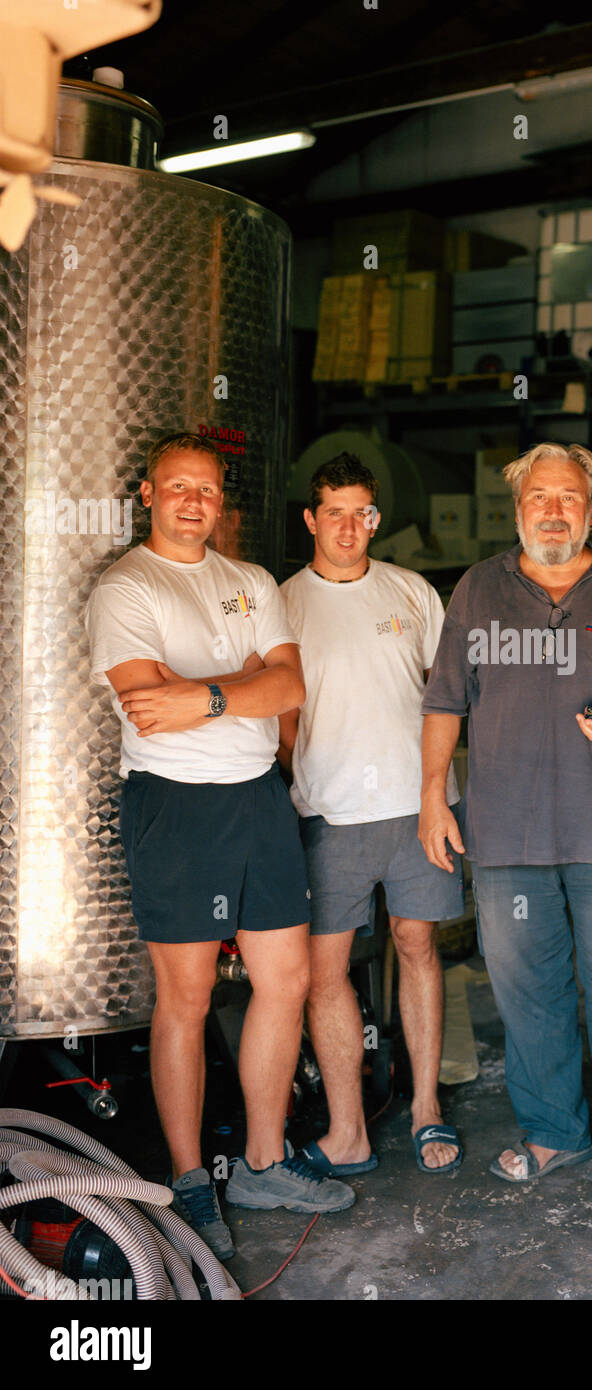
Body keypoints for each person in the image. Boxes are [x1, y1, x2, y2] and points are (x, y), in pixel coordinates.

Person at [86, 432, 355, 1259]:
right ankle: (188, 1178)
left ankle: (265, 1161)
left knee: (288, 977)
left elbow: (289, 685)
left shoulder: (248, 582)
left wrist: (201, 692)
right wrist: (237, 689)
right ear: (148, 493)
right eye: (178, 488)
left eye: (206, 489)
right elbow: (145, 705)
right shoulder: (126, 587)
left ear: (220, 500)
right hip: (177, 809)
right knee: (189, 996)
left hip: (257, 802)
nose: (194, 502)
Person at [419, 441, 592, 1205]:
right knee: (526, 988)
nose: (554, 510)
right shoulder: (478, 590)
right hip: (505, 831)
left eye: (568, 496)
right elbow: (444, 701)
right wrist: (434, 796)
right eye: (540, 497)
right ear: (517, 508)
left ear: (590, 507)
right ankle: (553, 1131)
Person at [277, 452, 466, 1180]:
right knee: (325, 972)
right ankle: (348, 1129)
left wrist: (435, 793)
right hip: (331, 814)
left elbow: (443, 697)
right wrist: (310, 778)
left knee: (417, 947)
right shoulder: (282, 602)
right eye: (335, 513)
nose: (350, 526)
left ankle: (424, 1108)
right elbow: (282, 714)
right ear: (310, 519)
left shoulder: (411, 591)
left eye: (363, 512)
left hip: (418, 804)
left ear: (376, 518)